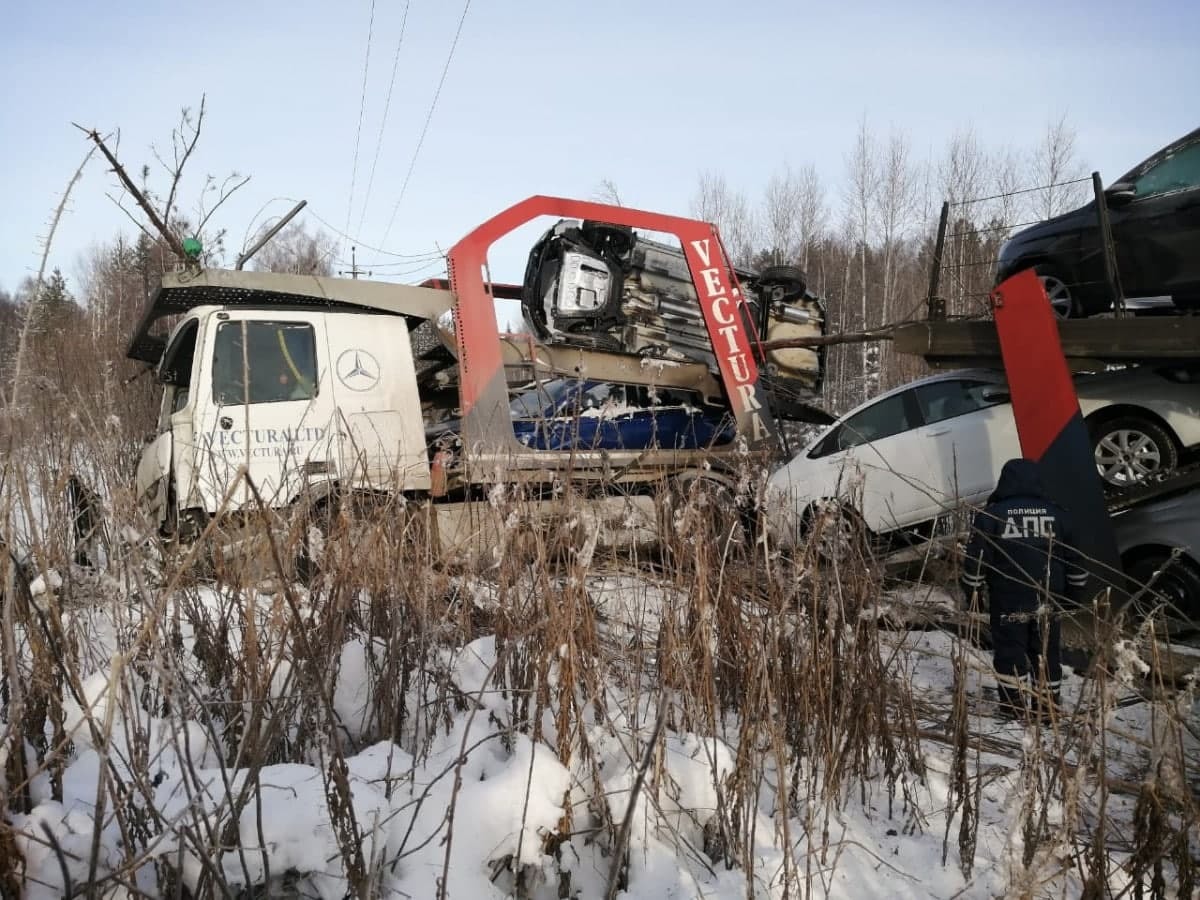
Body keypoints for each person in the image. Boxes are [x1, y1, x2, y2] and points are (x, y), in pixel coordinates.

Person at [959, 458, 1090, 721]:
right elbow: (1076, 562)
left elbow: (975, 563)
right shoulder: (1059, 515)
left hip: (1008, 598)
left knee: (1010, 651)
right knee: (1046, 652)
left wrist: (972, 594)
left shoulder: (991, 517)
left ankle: (1012, 707)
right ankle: (1046, 708)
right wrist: (1074, 596)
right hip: (1048, 597)